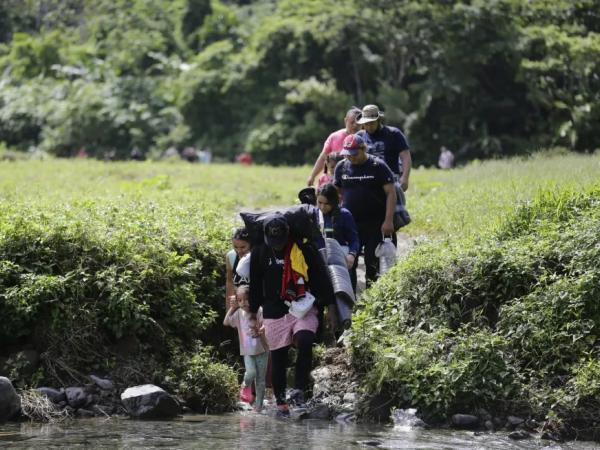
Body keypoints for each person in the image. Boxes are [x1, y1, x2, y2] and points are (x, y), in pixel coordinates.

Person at [249, 213, 334, 416]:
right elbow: (255, 284)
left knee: (305, 340)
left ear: (288, 235)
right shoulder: (260, 252)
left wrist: (330, 306)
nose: (277, 245)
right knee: (278, 356)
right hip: (273, 310)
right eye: (273, 241)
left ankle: (299, 391)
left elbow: (321, 276)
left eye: (281, 241)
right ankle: (281, 402)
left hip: (302, 305)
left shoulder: (303, 249)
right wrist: (253, 314)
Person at [334, 134, 397, 286]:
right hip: (350, 224)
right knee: (349, 261)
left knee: (372, 261)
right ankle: (351, 299)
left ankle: (372, 298)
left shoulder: (378, 166)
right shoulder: (341, 167)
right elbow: (335, 194)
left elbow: (391, 193)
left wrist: (388, 220)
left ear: (363, 149)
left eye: (354, 154)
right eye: (348, 154)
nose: (351, 158)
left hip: (375, 223)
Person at [223, 285, 268, 412]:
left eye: (246, 299)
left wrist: (261, 329)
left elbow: (265, 323)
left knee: (260, 380)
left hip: (262, 350)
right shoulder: (238, 313)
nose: (244, 303)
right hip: (247, 352)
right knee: (251, 373)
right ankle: (245, 385)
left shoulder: (258, 310)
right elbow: (226, 322)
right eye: (240, 300)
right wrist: (232, 308)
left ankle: (258, 407)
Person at [356, 104, 412, 192]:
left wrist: (405, 178)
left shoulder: (394, 134)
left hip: (391, 180)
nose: (369, 126)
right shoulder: (359, 137)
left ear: (379, 120)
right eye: (366, 124)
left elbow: (405, 157)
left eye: (372, 123)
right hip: (367, 181)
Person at [317, 183, 360, 290]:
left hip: (342, 259)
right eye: (319, 202)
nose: (322, 207)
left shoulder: (344, 215)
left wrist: (351, 255)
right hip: (321, 260)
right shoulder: (314, 214)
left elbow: (354, 239)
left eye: (326, 204)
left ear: (334, 201)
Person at [306, 107, 361, 186]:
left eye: (358, 123)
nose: (355, 125)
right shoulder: (334, 137)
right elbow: (323, 157)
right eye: (352, 122)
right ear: (345, 121)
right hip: (336, 181)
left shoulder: (365, 138)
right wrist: (312, 176)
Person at [225, 228, 252, 310]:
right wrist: (229, 307)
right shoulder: (231, 256)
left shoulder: (256, 257)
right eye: (235, 247)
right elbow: (229, 281)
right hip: (239, 305)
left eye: (243, 247)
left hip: (256, 305)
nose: (239, 251)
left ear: (251, 244)